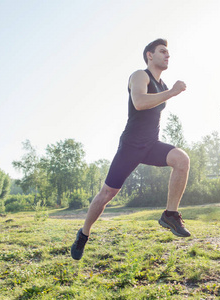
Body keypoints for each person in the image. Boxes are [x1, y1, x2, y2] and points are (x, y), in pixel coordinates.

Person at [71, 38, 191, 260]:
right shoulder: (139, 75)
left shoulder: (163, 85)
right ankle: (84, 234)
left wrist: (169, 91)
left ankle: (170, 215)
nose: (167, 55)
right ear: (149, 55)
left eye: (168, 53)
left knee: (182, 160)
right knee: (107, 194)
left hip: (151, 145)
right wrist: (173, 92)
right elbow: (139, 102)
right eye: (162, 51)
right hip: (130, 146)